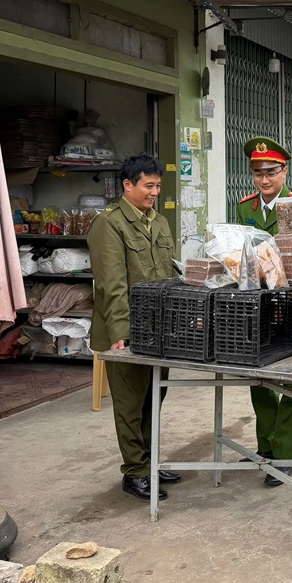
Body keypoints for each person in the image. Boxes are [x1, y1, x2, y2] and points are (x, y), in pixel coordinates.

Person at [88, 154, 181, 501]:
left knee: (154, 396)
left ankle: (149, 462)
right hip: (125, 331)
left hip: (160, 331)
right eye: (149, 185)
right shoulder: (109, 224)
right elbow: (111, 285)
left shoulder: (159, 223)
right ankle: (135, 472)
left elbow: (170, 275)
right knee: (129, 404)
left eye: (158, 186)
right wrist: (119, 335)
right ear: (128, 185)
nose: (155, 192)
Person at [236, 136, 292, 486]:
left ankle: (285, 451)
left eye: (271, 172)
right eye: (258, 173)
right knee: (258, 377)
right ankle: (266, 445)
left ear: (284, 171)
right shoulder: (246, 208)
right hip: (258, 304)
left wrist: (286, 279)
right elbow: (241, 249)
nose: (264, 180)